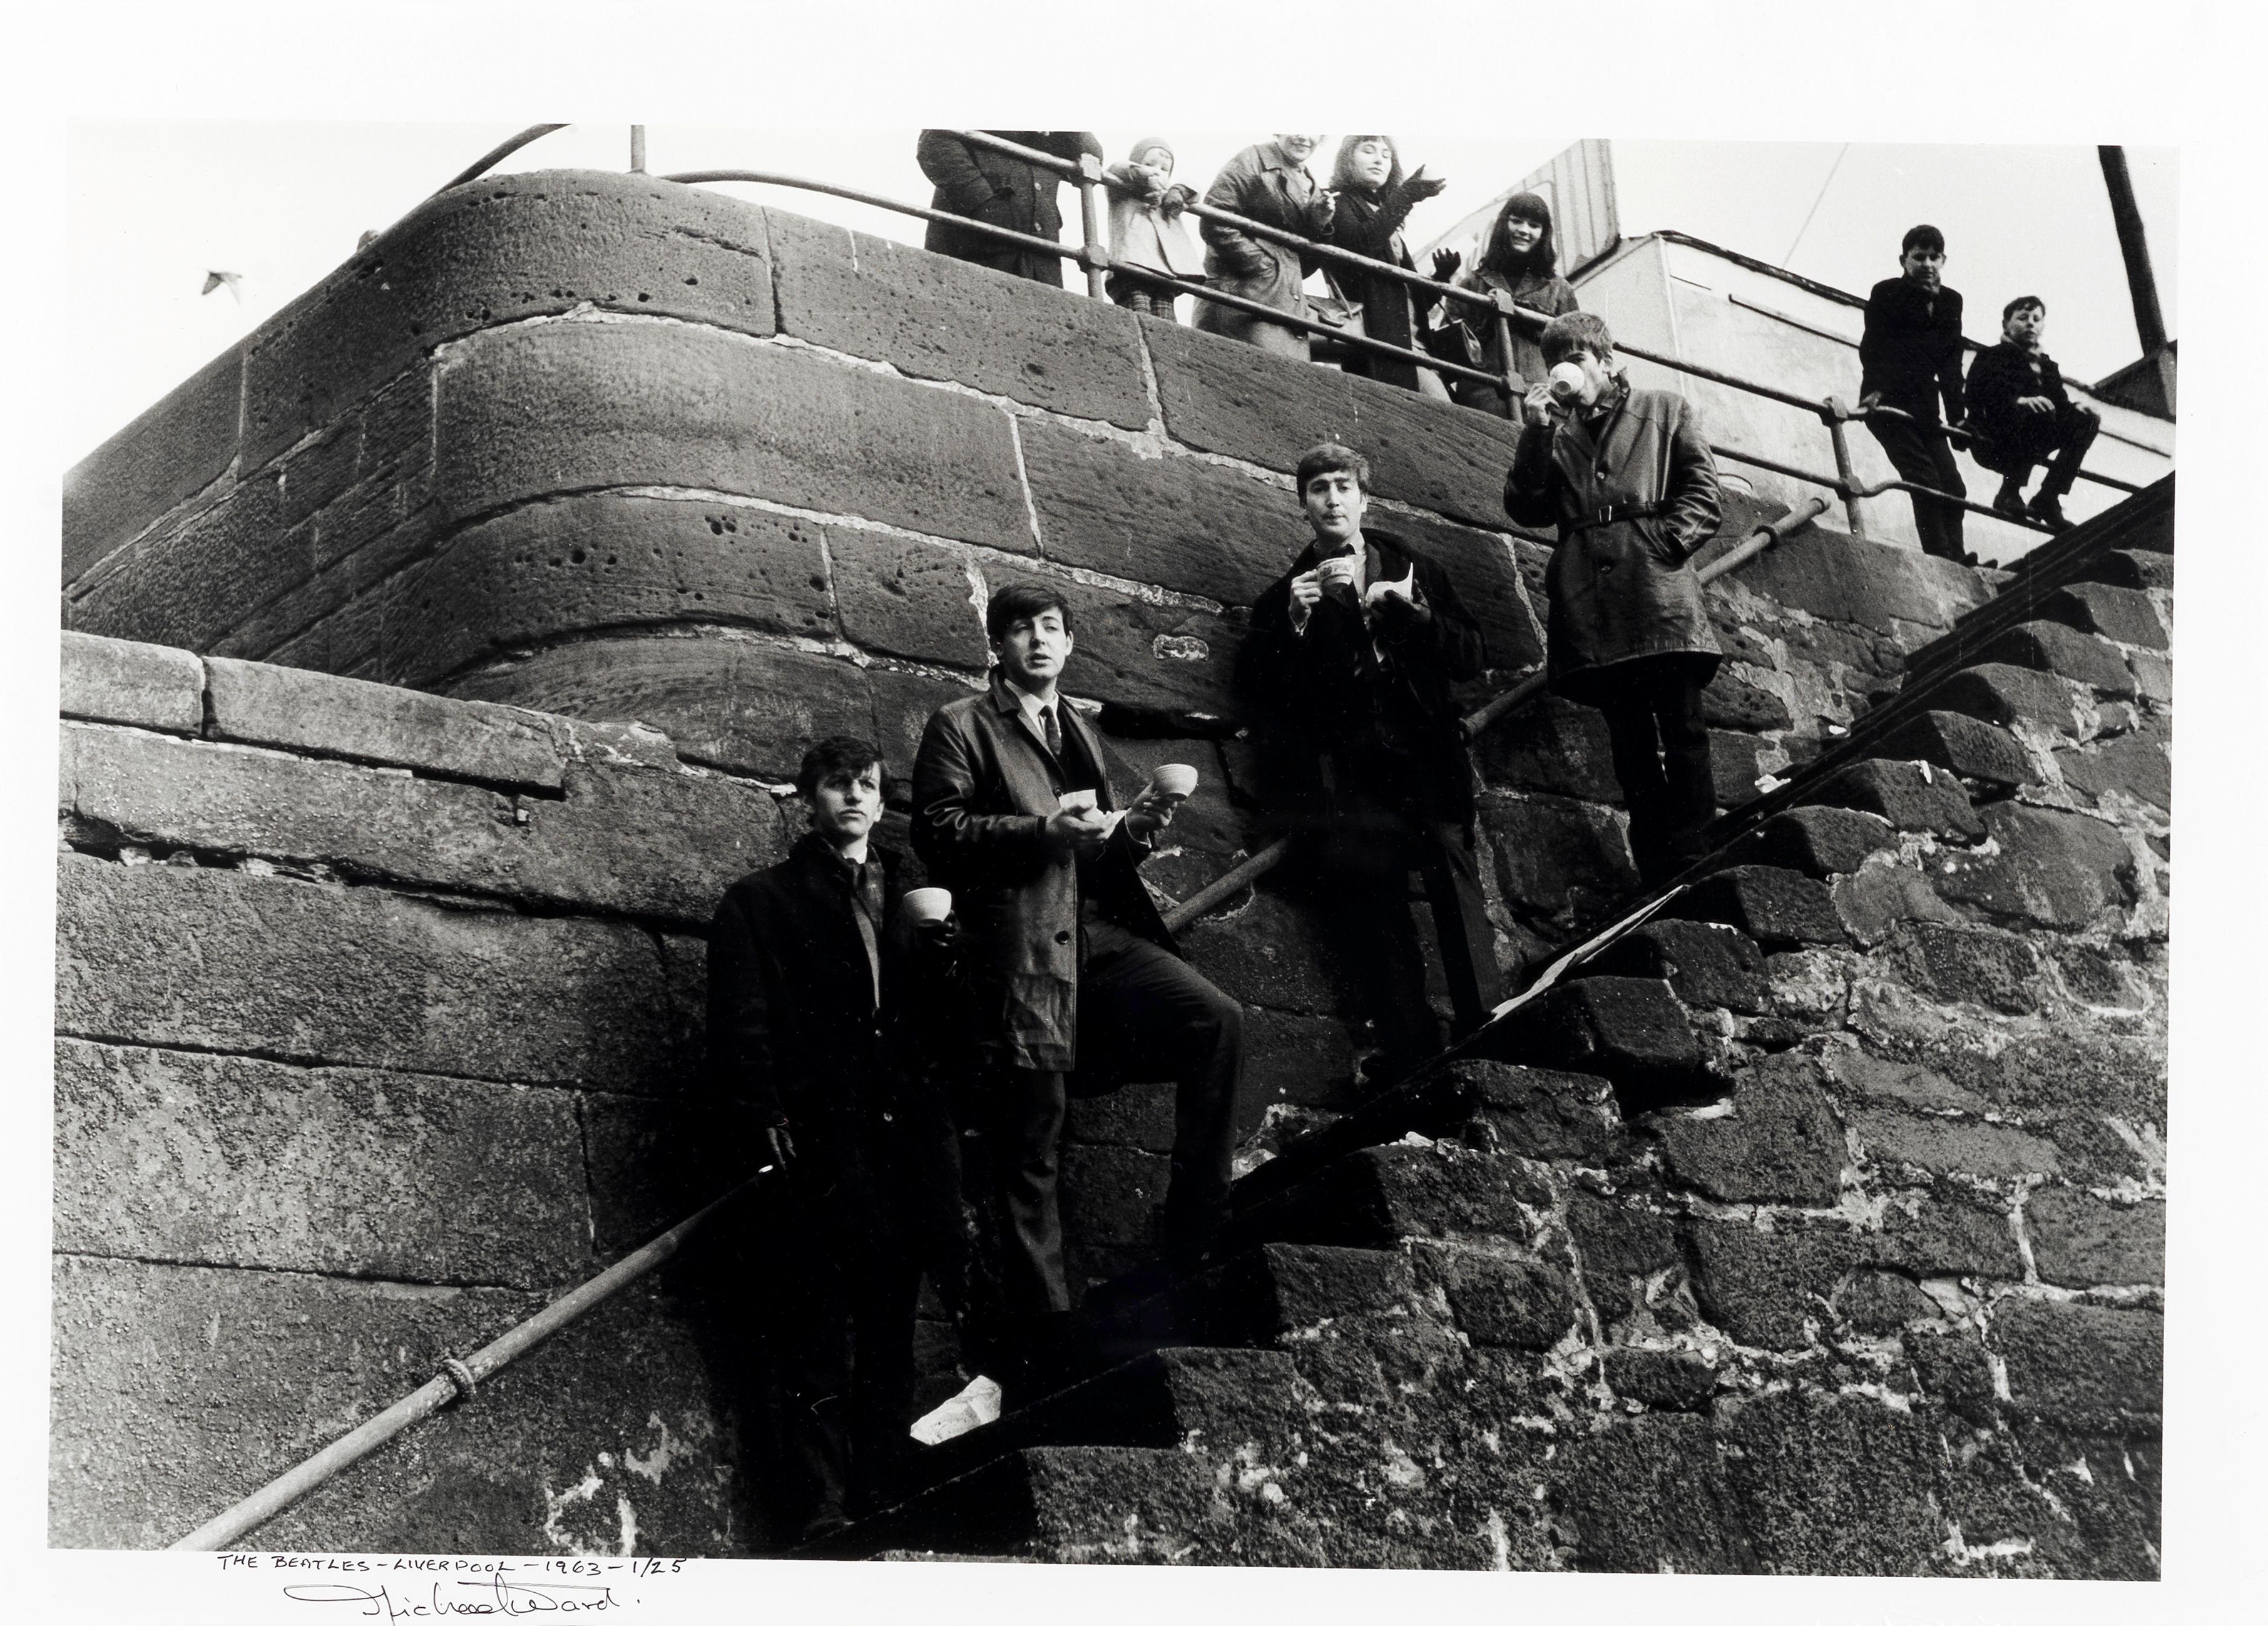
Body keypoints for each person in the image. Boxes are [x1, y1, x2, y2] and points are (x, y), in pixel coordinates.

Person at [909, 585, 1244, 1393]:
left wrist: (1136, 832)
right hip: (1020, 954)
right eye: (1020, 629)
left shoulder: (1081, 730)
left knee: (1217, 1021)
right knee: (1034, 1142)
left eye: (1052, 628)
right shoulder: (962, 724)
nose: (1038, 641)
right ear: (998, 646)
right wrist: (1041, 831)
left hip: (1095, 941)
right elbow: (937, 833)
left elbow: (1095, 858)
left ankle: (1195, 1236)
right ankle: (1052, 1344)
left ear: (1070, 643)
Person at [707, 736, 968, 1542]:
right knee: (814, 1324)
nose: (853, 797)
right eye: (835, 785)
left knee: (892, 1323)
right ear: (807, 800)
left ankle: (882, 1492)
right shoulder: (761, 900)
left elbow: (937, 1031)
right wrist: (767, 1114)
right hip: (822, 1138)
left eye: (866, 785)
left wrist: (945, 965)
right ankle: (817, 1506)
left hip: (904, 1142)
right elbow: (739, 1021)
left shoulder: (910, 893)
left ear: (883, 803)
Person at [1246, 443, 1497, 1085]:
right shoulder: (1283, 598)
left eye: (1342, 486)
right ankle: (1413, 1053)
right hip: (1353, 775)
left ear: (1364, 498)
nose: (1332, 498)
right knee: (1379, 912)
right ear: (1302, 505)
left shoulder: (1415, 567)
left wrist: (1415, 619)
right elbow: (1272, 698)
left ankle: (1489, 1025)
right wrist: (1297, 625)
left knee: (1454, 882)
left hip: (1425, 756)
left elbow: (1470, 655)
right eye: (1318, 489)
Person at [1503, 313, 1725, 891]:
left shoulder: (1664, 407)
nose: (1568, 369)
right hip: (1591, 600)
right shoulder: (1556, 432)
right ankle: (1657, 863)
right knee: (1628, 742)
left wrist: (1665, 543)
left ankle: (1697, 850)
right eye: (1558, 359)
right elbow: (1525, 508)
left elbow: (1704, 490)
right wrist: (1535, 433)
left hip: (1656, 587)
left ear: (1605, 359)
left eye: (1578, 357)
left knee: (1682, 727)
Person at [1858, 224, 1971, 563]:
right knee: (1924, 479)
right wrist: (1876, 389)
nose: (1927, 264)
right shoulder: (1887, 292)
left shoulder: (1951, 302)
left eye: (1934, 257)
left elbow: (1952, 362)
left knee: (1954, 486)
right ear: (1904, 260)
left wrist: (1958, 417)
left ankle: (1958, 555)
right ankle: (1940, 556)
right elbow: (1874, 345)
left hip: (1926, 408)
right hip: (1888, 402)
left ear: (1943, 260)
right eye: (1919, 257)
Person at [1428, 192, 1581, 417]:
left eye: (1534, 225)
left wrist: (1532, 318)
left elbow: (1576, 353)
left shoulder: (1559, 289)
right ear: (1503, 224)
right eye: (1516, 221)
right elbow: (1447, 352)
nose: (1524, 230)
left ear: (1544, 233)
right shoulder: (1471, 283)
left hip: (1545, 400)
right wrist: (1484, 324)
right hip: (1482, 401)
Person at [1319, 135, 1451, 396]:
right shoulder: (1339, 202)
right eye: (1369, 151)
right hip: (1379, 340)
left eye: (1387, 155)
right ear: (1348, 159)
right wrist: (1407, 195)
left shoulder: (1385, 218)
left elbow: (1416, 301)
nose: (1380, 159)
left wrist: (1441, 277)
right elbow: (1361, 245)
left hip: (1413, 343)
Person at [1966, 295, 2102, 534]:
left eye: (2036, 319)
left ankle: (2048, 498)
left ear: (2042, 327)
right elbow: (1976, 396)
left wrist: (2079, 409)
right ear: (2006, 324)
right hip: (1993, 437)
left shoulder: (2048, 366)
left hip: (2033, 435)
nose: (2031, 323)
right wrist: (2017, 402)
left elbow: (2060, 405)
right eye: (2023, 317)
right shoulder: (1992, 355)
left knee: (2086, 421)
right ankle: (2009, 493)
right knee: (2038, 410)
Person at [1192, 135, 1336, 359]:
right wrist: (1263, 267)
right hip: (1241, 303)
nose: (1304, 136)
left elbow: (1302, 267)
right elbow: (1215, 219)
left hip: (1285, 310)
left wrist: (1319, 225)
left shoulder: (1311, 184)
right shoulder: (1252, 160)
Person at [915, 130, 1105, 287]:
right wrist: (985, 205)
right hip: (977, 245)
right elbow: (934, 140)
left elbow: (1092, 154)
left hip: (1041, 262)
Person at [1101, 137, 1206, 320]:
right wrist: (1145, 177)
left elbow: (1195, 189)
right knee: (1138, 315)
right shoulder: (1122, 188)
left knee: (1166, 323)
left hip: (1166, 272)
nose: (1157, 172)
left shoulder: (1170, 198)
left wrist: (1178, 191)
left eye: (1164, 169)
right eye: (1149, 164)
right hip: (1132, 267)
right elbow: (1118, 168)